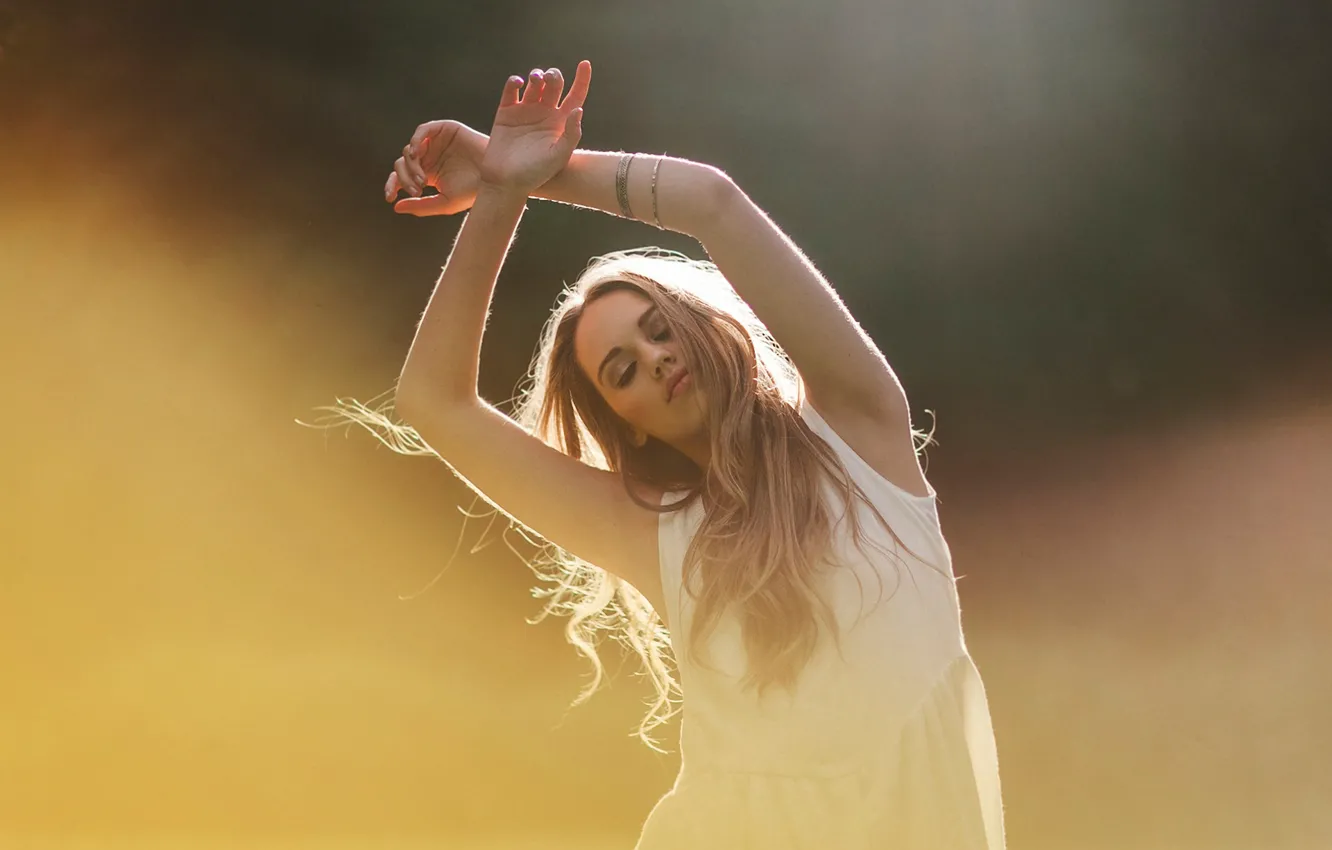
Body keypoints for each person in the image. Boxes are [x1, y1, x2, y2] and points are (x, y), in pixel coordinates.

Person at [354, 60, 1005, 848]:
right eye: (622, 371)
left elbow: (712, 203)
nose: (656, 359)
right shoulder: (653, 534)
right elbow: (434, 403)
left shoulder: (859, 430)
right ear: (625, 424)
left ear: (699, 326)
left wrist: (525, 169)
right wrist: (497, 199)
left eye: (659, 329)